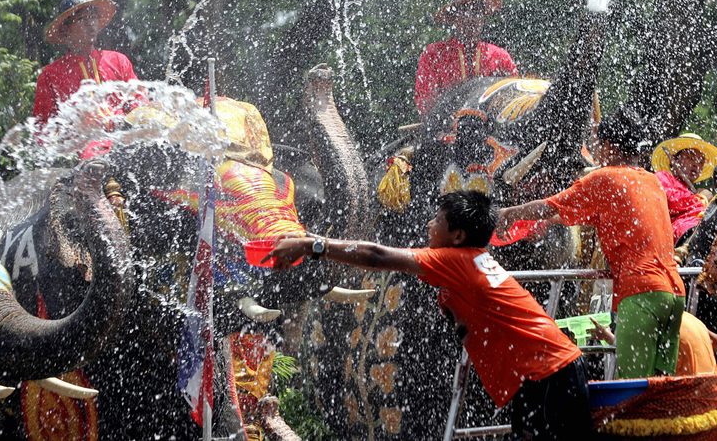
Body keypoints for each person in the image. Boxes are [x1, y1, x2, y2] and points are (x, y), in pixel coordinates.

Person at [264, 190, 592, 441]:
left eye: (437, 220)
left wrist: (311, 245)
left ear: (458, 235)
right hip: (550, 372)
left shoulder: (456, 260)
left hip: (549, 377)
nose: (428, 224)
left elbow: (376, 256)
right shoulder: (471, 260)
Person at [497, 108, 686, 379]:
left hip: (641, 293)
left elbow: (551, 205)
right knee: (661, 390)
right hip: (673, 294)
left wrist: (508, 214)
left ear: (608, 145)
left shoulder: (605, 177)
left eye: (597, 142)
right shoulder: (651, 181)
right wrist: (549, 222)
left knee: (631, 393)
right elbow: (588, 212)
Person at [33, 0, 141, 129]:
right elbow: (42, 128)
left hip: (124, 142)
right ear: (66, 30)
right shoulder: (50, 75)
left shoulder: (118, 61)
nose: (90, 23)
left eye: (93, 17)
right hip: (83, 147)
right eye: (81, 18)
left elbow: (139, 102)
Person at [414, 0, 518, 116]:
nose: (470, 19)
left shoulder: (500, 57)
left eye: (476, 12)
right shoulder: (433, 55)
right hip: (447, 132)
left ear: (484, 17)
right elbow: (426, 102)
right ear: (452, 19)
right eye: (463, 12)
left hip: (492, 130)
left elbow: (516, 97)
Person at [650, 133, 717, 259]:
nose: (696, 164)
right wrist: (702, 199)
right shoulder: (663, 177)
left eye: (701, 161)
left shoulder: (694, 191)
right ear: (674, 160)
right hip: (682, 233)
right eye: (690, 158)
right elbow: (672, 201)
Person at [588, 312, 717, 376]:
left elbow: (635, 355)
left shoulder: (659, 326)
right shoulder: (691, 319)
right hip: (711, 395)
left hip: (686, 403)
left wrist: (607, 336)